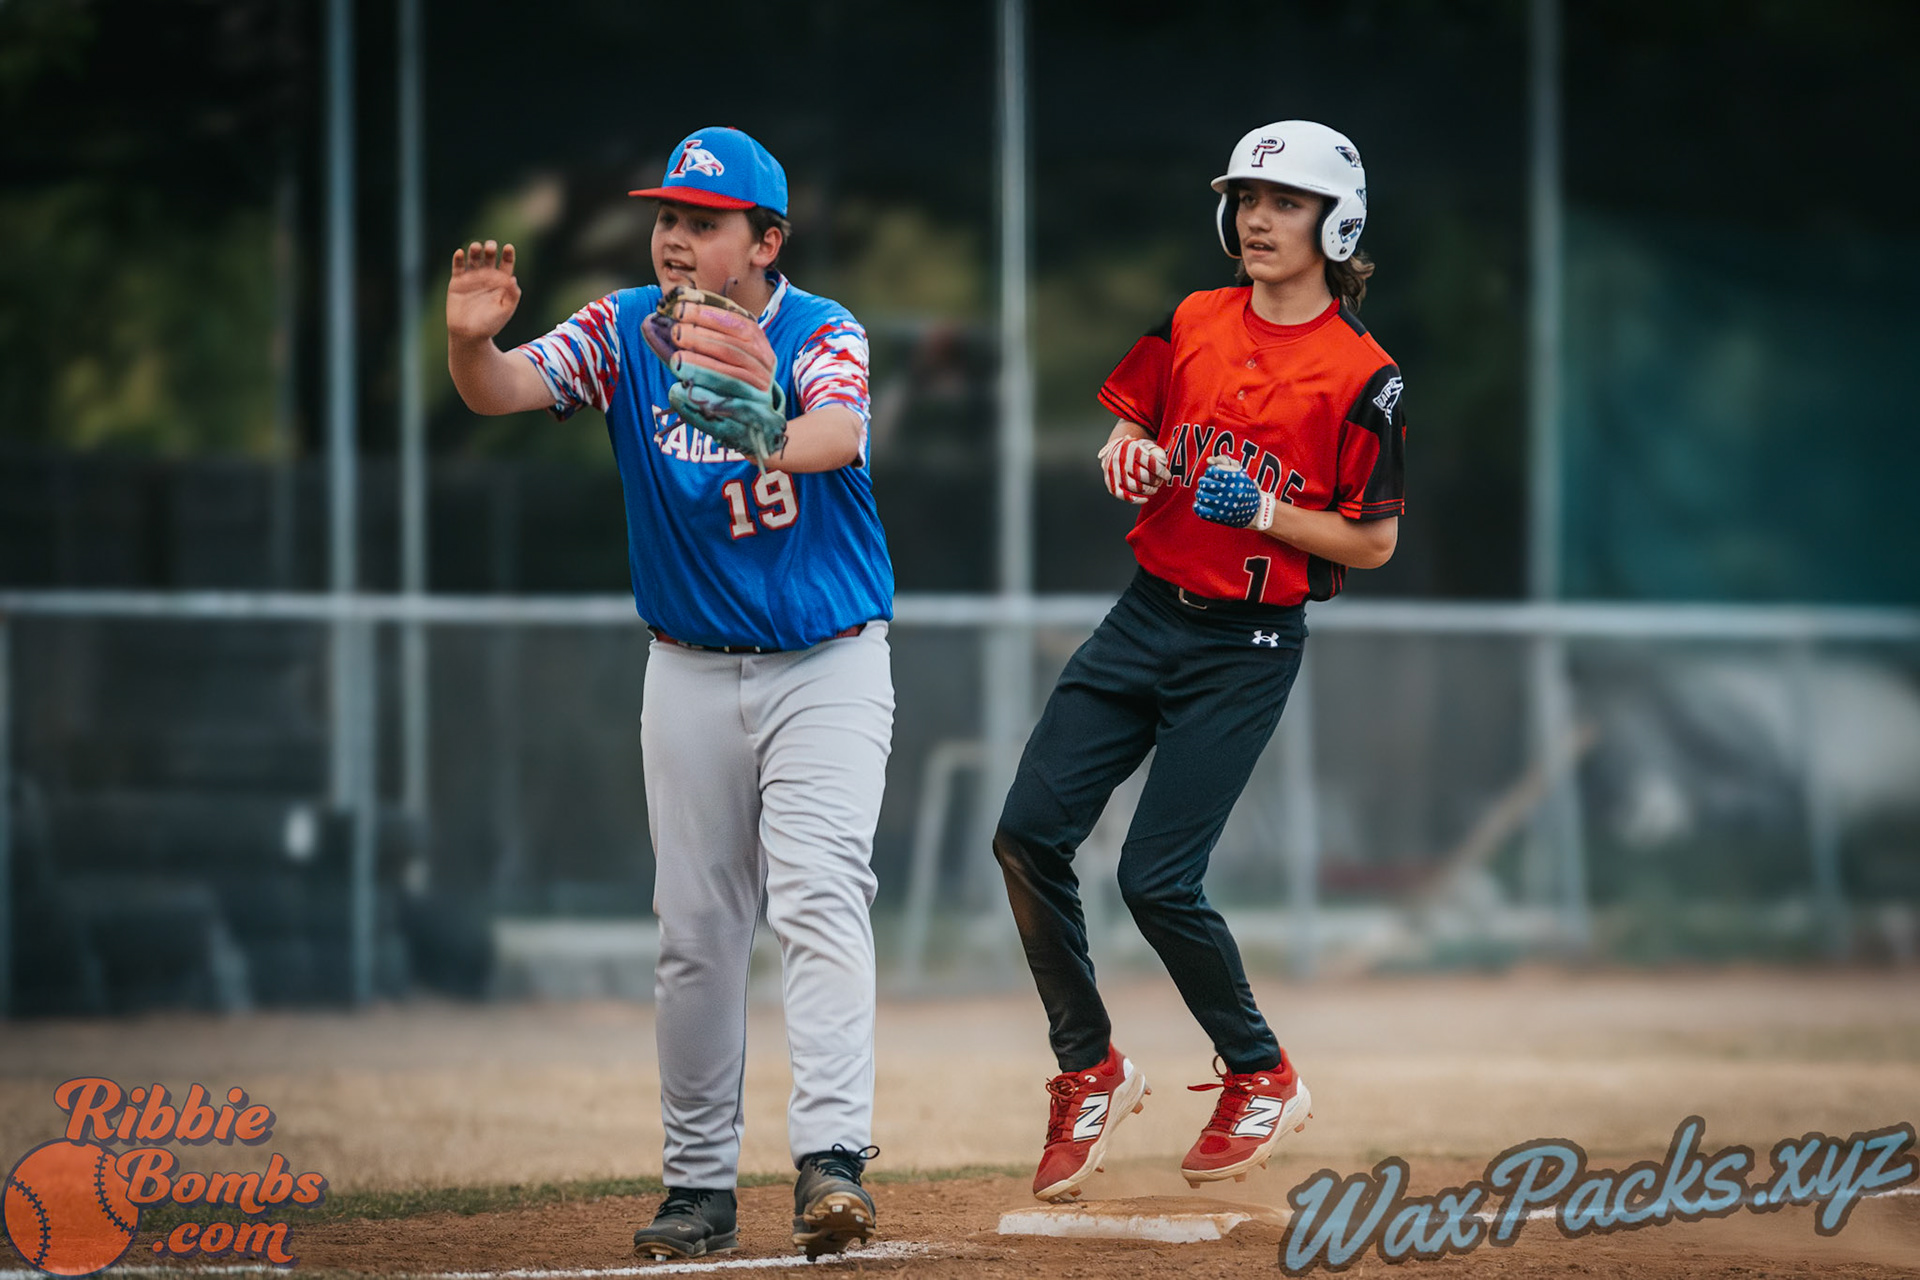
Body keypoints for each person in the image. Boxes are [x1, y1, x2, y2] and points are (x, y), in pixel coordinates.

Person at [445, 126, 893, 1261]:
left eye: (704, 220)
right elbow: (501, 389)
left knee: (820, 892)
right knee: (694, 935)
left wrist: (773, 433)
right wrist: (466, 345)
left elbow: (840, 430)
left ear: (766, 240)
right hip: (687, 666)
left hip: (826, 661)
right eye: (667, 217)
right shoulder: (618, 330)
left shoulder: (820, 327)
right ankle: (698, 1185)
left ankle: (832, 1163)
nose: (677, 238)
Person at [991, 120, 1406, 1203]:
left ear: (1337, 222)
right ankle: (1089, 1067)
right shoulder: (1191, 319)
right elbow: (1124, 433)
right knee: (1028, 833)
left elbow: (1372, 539)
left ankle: (1261, 1071)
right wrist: (1126, 455)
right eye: (1247, 198)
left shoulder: (1364, 375)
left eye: (1287, 202)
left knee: (1155, 877)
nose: (1259, 218)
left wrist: (1270, 510)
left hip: (1245, 645)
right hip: (1145, 613)